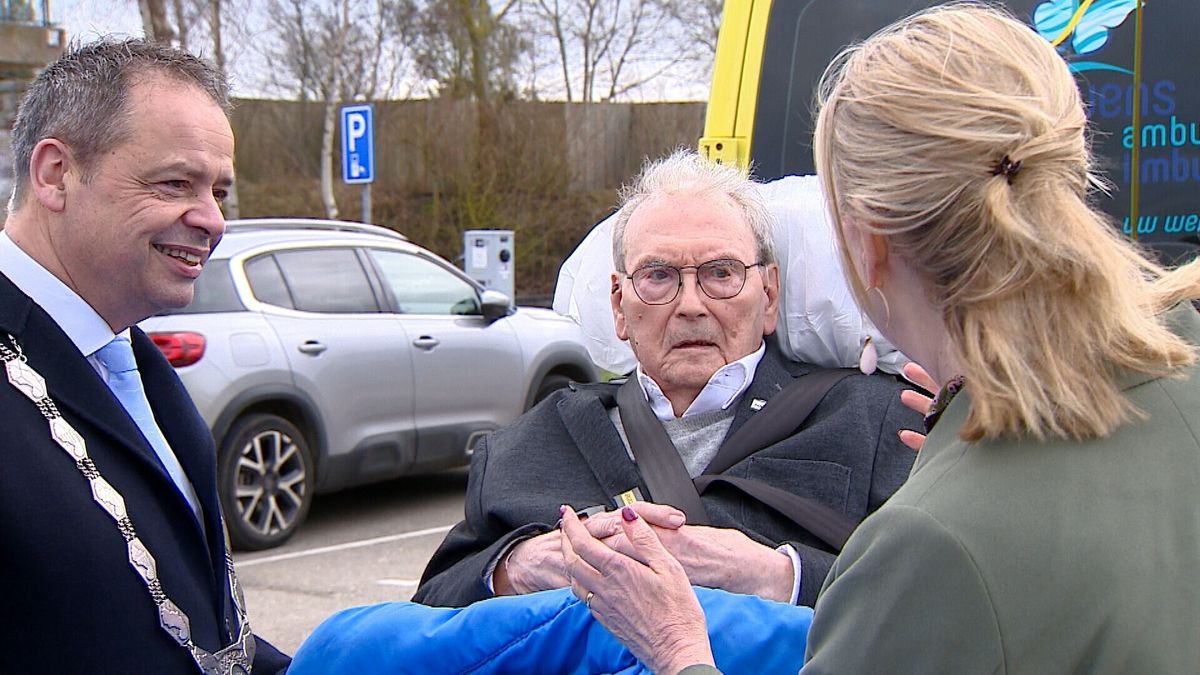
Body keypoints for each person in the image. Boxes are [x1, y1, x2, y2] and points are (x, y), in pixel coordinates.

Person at [560, 4, 1200, 673]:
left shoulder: (931, 546)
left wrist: (678, 647)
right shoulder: (1181, 363)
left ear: (867, 247)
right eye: (660, 275)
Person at [415, 149, 920, 609]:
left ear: (769, 295)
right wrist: (516, 569)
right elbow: (425, 616)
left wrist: (778, 575)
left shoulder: (876, 421)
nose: (691, 305)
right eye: (659, 276)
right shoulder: (530, 441)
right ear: (618, 304)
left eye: (721, 273)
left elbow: (935, 608)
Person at [0, 39, 290, 673]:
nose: (212, 219)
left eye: (219, 191)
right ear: (55, 174)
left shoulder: (132, 357)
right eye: (176, 183)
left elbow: (196, 636)